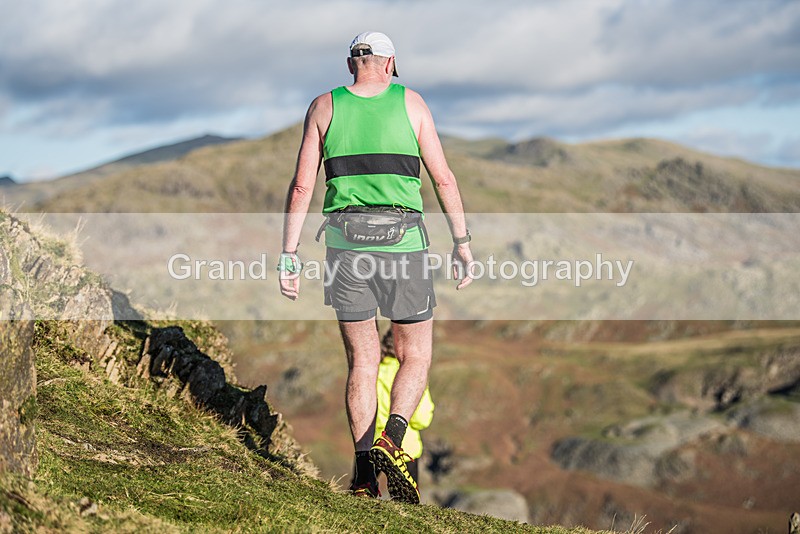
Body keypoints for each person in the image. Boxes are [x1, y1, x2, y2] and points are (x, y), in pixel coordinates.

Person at [279, 31, 473, 504]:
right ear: (390, 65)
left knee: (363, 362)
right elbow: (443, 178)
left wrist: (288, 255)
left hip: (345, 249)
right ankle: (394, 437)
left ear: (353, 65)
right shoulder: (412, 104)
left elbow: (302, 187)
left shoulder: (324, 107)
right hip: (403, 245)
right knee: (416, 356)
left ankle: (365, 476)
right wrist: (462, 242)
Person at [351, 327, 434, 493]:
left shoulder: (372, 372)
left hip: (370, 441)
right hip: (405, 446)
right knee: (407, 496)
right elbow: (422, 418)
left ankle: (357, 503)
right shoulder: (411, 376)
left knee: (361, 488)